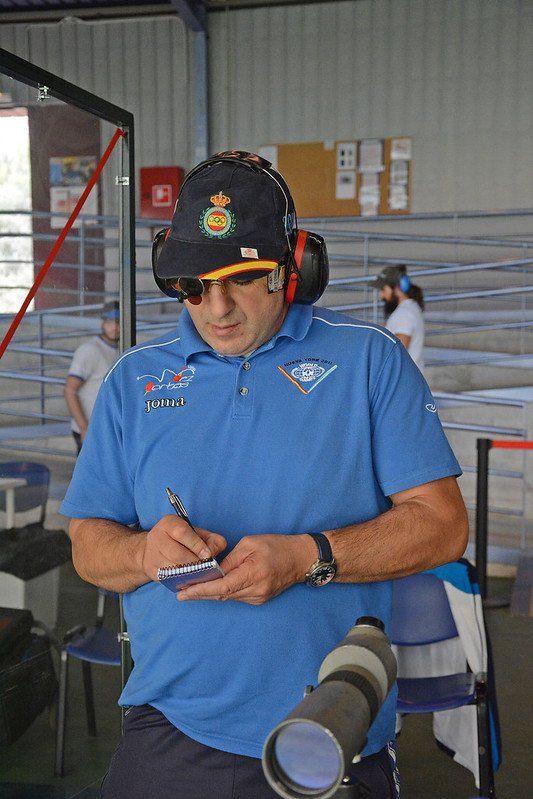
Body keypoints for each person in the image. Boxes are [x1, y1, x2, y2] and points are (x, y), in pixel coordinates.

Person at [60, 152, 468, 799]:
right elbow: (87, 544)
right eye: (194, 285)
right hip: (168, 724)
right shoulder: (132, 381)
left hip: (330, 728)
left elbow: (443, 526)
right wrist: (142, 553)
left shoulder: (370, 362)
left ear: (292, 266)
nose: (216, 308)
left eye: (242, 279)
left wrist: (309, 557)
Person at [64, 300, 120, 453]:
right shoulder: (90, 350)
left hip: (108, 430)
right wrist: (84, 428)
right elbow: (70, 390)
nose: (114, 327)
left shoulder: (122, 348)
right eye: (109, 321)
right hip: (90, 431)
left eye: (118, 322)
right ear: (102, 322)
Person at [372, 265, 425, 371]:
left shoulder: (404, 314)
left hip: (403, 379)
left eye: (383, 289)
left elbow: (397, 353)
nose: (381, 295)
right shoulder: (410, 308)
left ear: (397, 289)